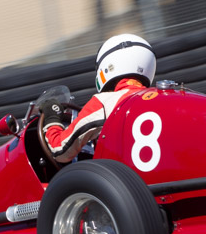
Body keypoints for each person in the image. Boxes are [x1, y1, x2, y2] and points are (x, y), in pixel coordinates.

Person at [42, 33, 156, 163]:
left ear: (108, 66)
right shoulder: (163, 95)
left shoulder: (104, 102)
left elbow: (60, 150)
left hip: (125, 179)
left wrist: (51, 119)